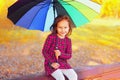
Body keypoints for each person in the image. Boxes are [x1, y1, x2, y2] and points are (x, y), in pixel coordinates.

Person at [42, 15, 78, 80]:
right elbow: (44, 51)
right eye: (60, 27)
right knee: (60, 78)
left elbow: (69, 55)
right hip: (51, 64)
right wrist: (52, 62)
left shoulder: (68, 41)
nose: (63, 30)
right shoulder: (51, 37)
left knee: (74, 76)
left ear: (69, 28)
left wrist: (60, 54)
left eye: (65, 27)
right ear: (56, 27)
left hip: (63, 64)